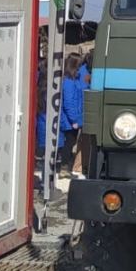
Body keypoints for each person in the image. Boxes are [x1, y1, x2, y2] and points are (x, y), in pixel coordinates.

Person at [59, 52, 85, 181]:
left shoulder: (74, 80)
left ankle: (66, 166)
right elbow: (68, 102)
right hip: (70, 120)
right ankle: (63, 167)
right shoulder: (68, 82)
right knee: (69, 143)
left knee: (71, 142)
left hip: (74, 117)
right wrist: (74, 119)